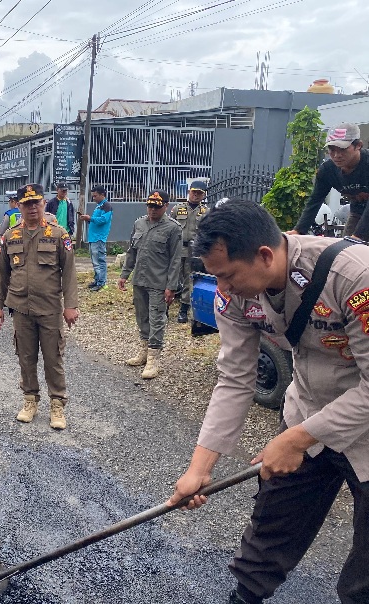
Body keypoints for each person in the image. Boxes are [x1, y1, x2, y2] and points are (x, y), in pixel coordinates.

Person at [167, 201, 369, 604]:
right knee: (272, 526)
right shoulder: (234, 295)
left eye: (227, 276)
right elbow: (235, 379)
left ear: (264, 255)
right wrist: (198, 470)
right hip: (308, 407)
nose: (222, 288)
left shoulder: (355, 277)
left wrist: (295, 440)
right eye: (215, 276)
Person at [0, 184, 79, 430]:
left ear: (43, 204)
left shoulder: (58, 234)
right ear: (19, 207)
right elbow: (1, 274)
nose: (32, 208)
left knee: (53, 358)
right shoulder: (10, 236)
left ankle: (57, 403)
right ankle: (30, 399)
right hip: (21, 308)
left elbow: (69, 273)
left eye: (36, 203)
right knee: (26, 357)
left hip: (50, 308)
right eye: (27, 204)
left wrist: (70, 306)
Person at [117, 189, 182, 379]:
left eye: (157, 207)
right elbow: (132, 252)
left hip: (159, 282)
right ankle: (144, 351)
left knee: (157, 318)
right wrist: (124, 275)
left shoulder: (173, 228)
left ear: (166, 207)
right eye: (150, 206)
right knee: (142, 316)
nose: (152, 210)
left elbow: (176, 260)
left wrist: (171, 286)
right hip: (140, 279)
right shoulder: (139, 223)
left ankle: (153, 358)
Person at [293, 123, 369, 239]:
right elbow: (315, 201)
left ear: (358, 145)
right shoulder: (327, 171)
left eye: (343, 149)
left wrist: (358, 236)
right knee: (347, 247)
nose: (337, 155)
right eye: (332, 150)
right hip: (358, 212)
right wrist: (298, 231)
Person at [170, 179, 209, 322]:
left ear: (204, 195)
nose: (196, 195)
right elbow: (169, 228)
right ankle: (165, 307)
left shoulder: (206, 212)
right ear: (189, 192)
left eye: (199, 193)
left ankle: (183, 310)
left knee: (189, 280)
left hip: (194, 251)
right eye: (194, 192)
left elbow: (208, 232)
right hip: (177, 248)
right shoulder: (177, 209)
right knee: (171, 277)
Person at [80, 185, 113, 291]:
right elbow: (96, 220)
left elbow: (103, 220)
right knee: (95, 261)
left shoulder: (106, 206)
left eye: (95, 196)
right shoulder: (99, 206)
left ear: (102, 195)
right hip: (93, 237)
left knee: (100, 260)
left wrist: (90, 218)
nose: (93, 198)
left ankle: (101, 283)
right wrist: (88, 219)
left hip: (99, 238)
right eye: (93, 196)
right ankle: (97, 280)